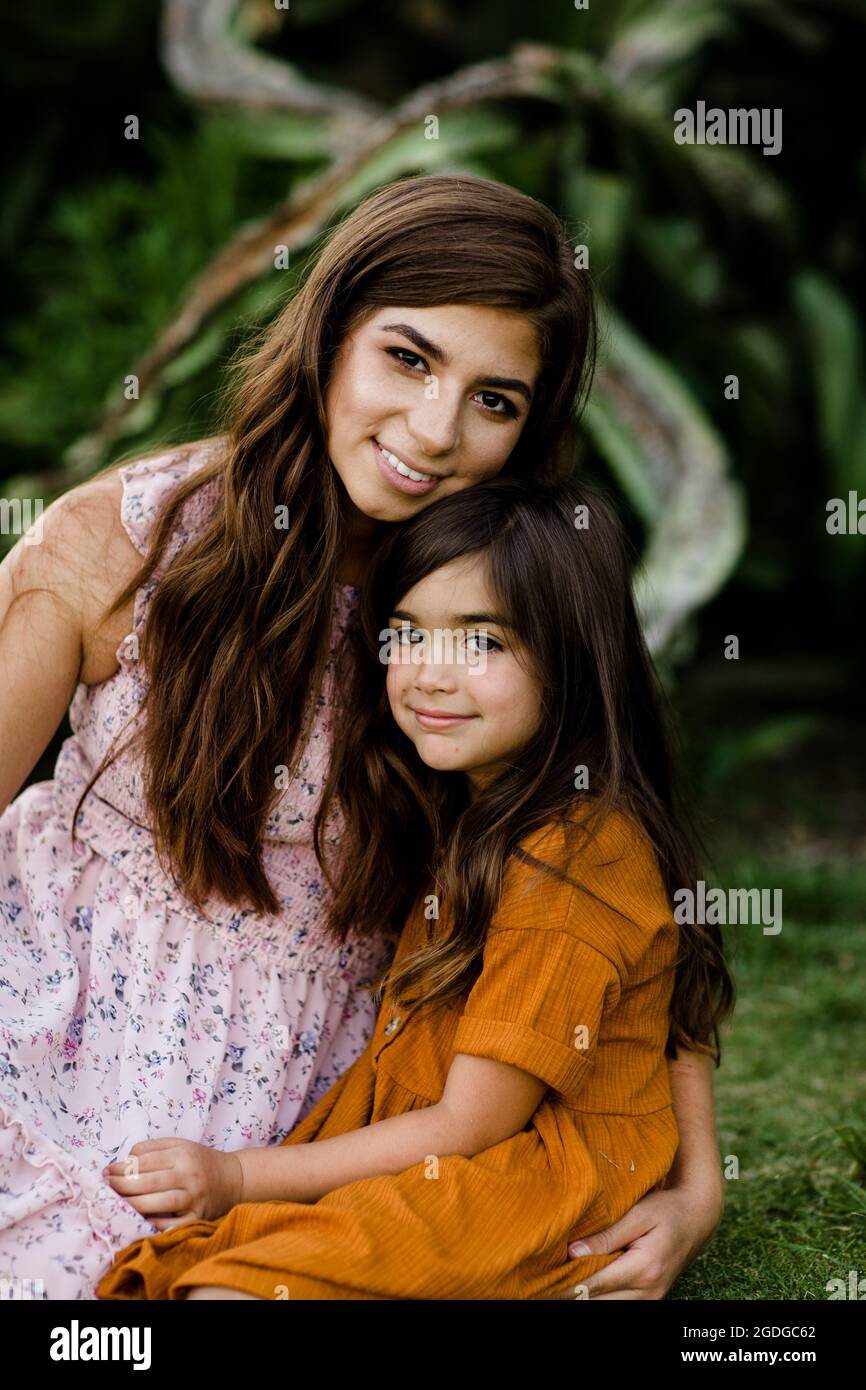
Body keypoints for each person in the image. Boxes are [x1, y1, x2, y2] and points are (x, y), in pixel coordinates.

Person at [0, 173, 723, 1301]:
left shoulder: (496, 600)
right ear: (329, 333)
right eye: (409, 357)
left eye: (495, 400)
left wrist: (694, 1185)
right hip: (58, 988)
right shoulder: (121, 544)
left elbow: (619, 893)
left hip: (326, 1073)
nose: (433, 433)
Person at [95, 475, 734, 1300]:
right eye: (406, 635)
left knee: (240, 1287)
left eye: (482, 642)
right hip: (442, 1143)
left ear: (577, 657)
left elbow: (476, 1121)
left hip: (521, 1176)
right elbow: (674, 1004)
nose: (430, 675)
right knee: (217, 1270)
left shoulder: (573, 857)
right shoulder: (471, 800)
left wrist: (236, 1175)